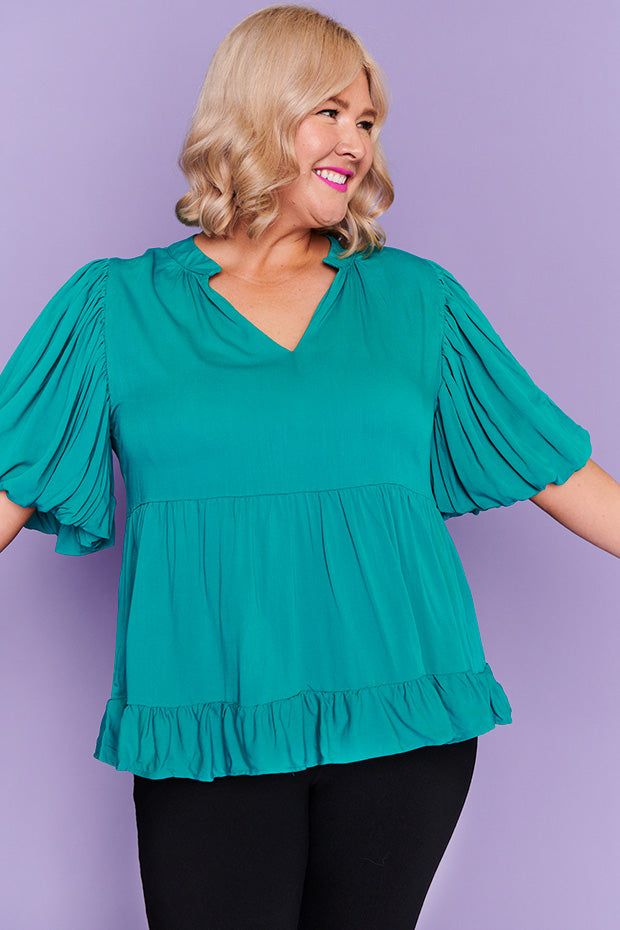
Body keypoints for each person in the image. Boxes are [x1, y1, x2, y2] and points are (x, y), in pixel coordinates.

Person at [0, 4, 618, 929]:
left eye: (366, 120)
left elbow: (559, 469)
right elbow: (9, 487)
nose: (356, 142)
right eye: (329, 112)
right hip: (205, 718)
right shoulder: (113, 307)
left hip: (403, 710)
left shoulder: (416, 300)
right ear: (257, 109)